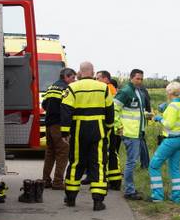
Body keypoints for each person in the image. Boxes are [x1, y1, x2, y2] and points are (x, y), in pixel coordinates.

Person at [61, 61, 114, 211]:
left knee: (76, 162)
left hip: (78, 129)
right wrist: (108, 127)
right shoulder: (103, 87)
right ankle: (98, 201)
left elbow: (65, 110)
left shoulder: (72, 87)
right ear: (93, 72)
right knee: (98, 163)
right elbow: (110, 111)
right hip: (98, 129)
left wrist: (65, 132)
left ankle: (70, 198)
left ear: (79, 72)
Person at [113, 69, 152, 200]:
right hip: (129, 133)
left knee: (132, 162)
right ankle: (129, 191)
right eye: (137, 79)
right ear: (131, 78)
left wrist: (147, 115)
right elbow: (114, 110)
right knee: (131, 163)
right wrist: (118, 126)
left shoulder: (138, 91)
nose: (140, 81)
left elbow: (136, 111)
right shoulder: (125, 92)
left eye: (141, 79)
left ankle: (130, 189)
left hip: (137, 132)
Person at [148, 81, 180, 203]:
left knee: (153, 166)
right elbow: (176, 115)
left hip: (170, 141)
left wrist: (159, 118)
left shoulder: (172, 107)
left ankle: (157, 196)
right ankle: (176, 197)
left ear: (170, 93)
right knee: (174, 169)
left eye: (167, 92)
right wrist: (165, 109)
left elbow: (168, 125)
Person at [41, 67, 76, 190]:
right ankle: (57, 182)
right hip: (59, 125)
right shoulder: (66, 88)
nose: (74, 80)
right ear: (66, 77)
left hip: (49, 124)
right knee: (63, 153)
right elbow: (67, 108)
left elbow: (44, 104)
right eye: (72, 78)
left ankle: (45, 180)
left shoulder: (51, 87)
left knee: (50, 153)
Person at [92, 70, 122, 190]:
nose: (96, 80)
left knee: (110, 152)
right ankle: (114, 180)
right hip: (112, 126)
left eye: (98, 78)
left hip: (109, 126)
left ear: (106, 79)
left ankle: (112, 180)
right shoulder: (110, 89)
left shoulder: (108, 89)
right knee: (112, 153)